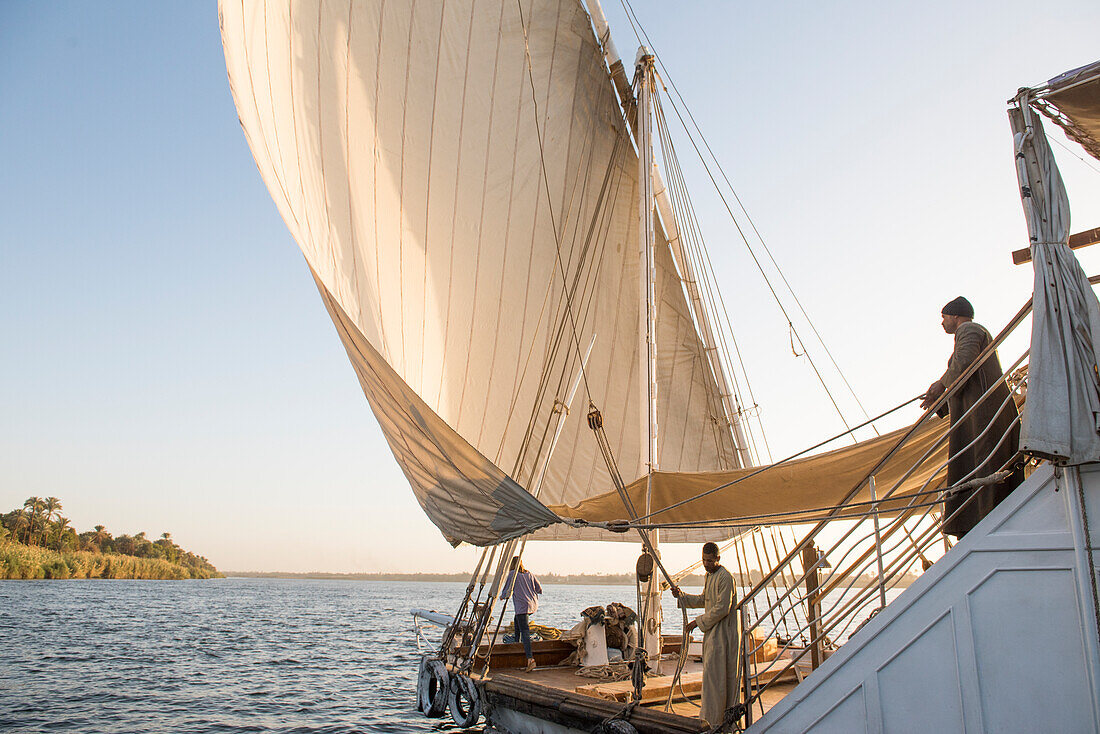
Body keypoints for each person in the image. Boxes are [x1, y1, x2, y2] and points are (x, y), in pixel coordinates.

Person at [920, 297, 1024, 538]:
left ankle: (982, 521)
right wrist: (941, 401)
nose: (942, 323)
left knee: (981, 463)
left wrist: (940, 385)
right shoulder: (972, 332)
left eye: (944, 317)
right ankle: (976, 519)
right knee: (975, 465)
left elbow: (965, 362)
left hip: (983, 416)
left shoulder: (968, 329)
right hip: (978, 413)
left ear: (955, 316)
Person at [671, 542, 740, 728]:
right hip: (713, 635)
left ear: (718, 558)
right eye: (703, 560)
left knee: (720, 679)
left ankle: (721, 722)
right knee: (711, 679)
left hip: (723, 636)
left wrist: (697, 622)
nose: (706, 564)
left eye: (709, 560)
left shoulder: (726, 578)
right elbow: (704, 600)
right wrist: (682, 596)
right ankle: (710, 719)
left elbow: (722, 608)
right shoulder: (709, 576)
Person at [503, 556, 542, 672]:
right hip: (532, 604)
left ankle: (530, 659)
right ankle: (516, 643)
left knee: (525, 631)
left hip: (522, 606)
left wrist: (502, 596)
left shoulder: (512, 574)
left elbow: (507, 588)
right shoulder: (529, 574)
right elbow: (539, 588)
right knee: (517, 622)